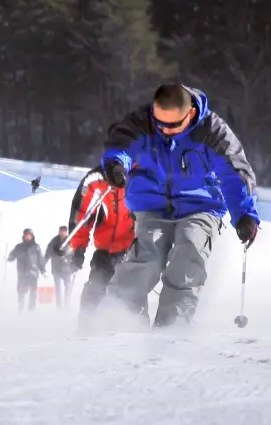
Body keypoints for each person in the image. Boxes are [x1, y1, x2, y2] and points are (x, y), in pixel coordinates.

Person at [99, 83, 260, 327]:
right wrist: (115, 165)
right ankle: (118, 320)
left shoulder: (212, 132)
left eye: (173, 125)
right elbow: (121, 144)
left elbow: (234, 174)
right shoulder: (142, 122)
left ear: (191, 114)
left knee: (189, 250)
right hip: (152, 205)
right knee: (147, 256)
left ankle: (172, 325)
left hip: (200, 205)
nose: (164, 130)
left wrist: (244, 215)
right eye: (160, 123)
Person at [62, 166, 136, 324]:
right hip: (105, 250)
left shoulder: (140, 176)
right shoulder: (97, 180)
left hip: (131, 250)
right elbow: (82, 214)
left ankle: (123, 328)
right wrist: (79, 248)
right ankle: (85, 326)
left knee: (125, 293)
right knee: (96, 286)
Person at [7, 229, 45, 312]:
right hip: (22, 272)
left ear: (32, 236)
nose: (28, 236)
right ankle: (20, 307)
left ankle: (31, 309)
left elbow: (40, 260)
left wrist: (43, 270)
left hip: (33, 272)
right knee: (21, 291)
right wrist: (10, 258)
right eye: (26, 235)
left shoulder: (36, 247)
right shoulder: (19, 247)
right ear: (24, 236)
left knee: (33, 292)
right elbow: (12, 255)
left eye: (29, 235)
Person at [43, 226, 74, 308]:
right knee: (58, 288)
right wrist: (43, 265)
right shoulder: (54, 241)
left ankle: (66, 306)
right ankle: (59, 307)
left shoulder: (71, 241)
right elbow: (48, 253)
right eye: (61, 231)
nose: (62, 233)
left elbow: (74, 254)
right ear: (59, 232)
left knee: (68, 288)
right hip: (56, 269)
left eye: (64, 231)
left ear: (66, 232)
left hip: (68, 269)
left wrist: (75, 264)